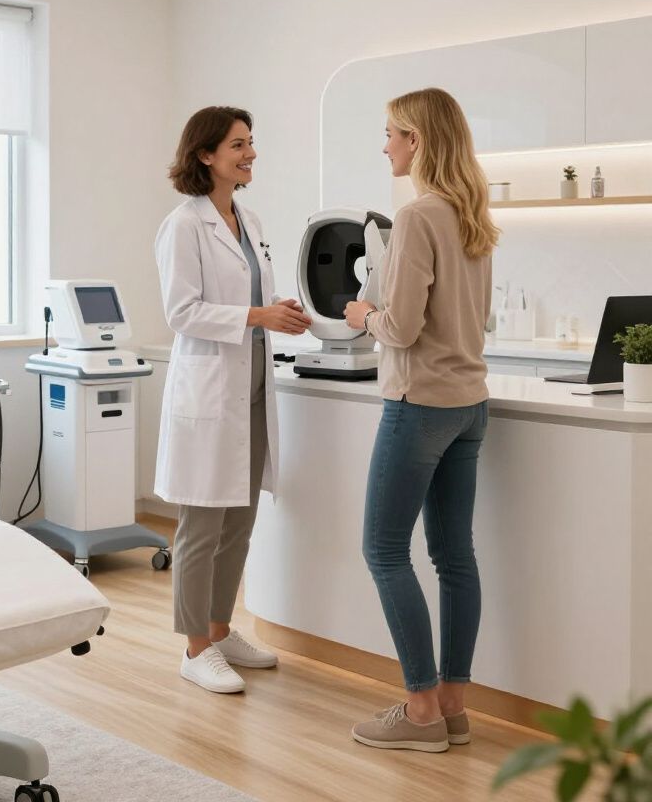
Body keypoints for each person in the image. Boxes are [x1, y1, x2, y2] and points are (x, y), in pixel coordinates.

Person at [344, 87, 498, 752]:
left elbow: (401, 328)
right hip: (469, 404)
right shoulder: (473, 217)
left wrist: (361, 316)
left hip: (419, 405)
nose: (385, 146)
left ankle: (420, 711)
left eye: (391, 134)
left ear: (418, 140)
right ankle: (454, 706)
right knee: (454, 557)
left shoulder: (416, 218)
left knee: (383, 551)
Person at [154, 105, 312, 694]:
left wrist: (280, 313)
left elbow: (252, 300)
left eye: (251, 143)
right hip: (209, 393)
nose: (250, 154)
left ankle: (220, 629)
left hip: (249, 388)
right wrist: (254, 314)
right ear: (205, 155)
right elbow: (181, 311)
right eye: (238, 145)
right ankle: (195, 648)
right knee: (202, 524)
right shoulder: (184, 225)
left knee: (240, 523)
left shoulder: (251, 220)